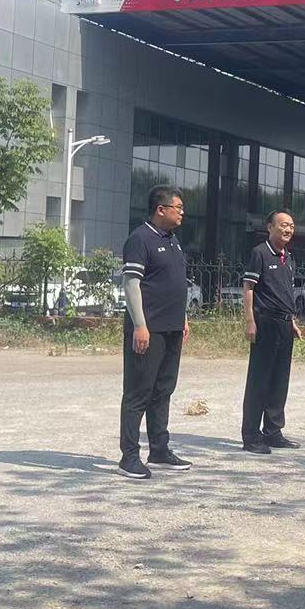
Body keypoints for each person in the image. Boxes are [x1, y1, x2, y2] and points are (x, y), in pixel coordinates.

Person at [117, 185, 194, 479]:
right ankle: (129, 456)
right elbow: (131, 284)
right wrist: (139, 324)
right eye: (178, 208)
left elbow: (174, 283)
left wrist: (182, 317)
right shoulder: (140, 239)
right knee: (138, 391)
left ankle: (159, 449)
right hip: (148, 329)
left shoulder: (172, 240)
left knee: (163, 390)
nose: (182, 213)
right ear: (161, 209)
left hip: (172, 328)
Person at [241, 210, 304, 456]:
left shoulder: (288, 257)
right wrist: (250, 321)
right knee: (260, 380)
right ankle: (251, 435)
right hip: (265, 323)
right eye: (283, 225)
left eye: (291, 225)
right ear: (270, 227)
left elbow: (284, 293)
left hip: (284, 325)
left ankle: (273, 431)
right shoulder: (260, 253)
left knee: (279, 381)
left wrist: (292, 321)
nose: (288, 229)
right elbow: (249, 288)